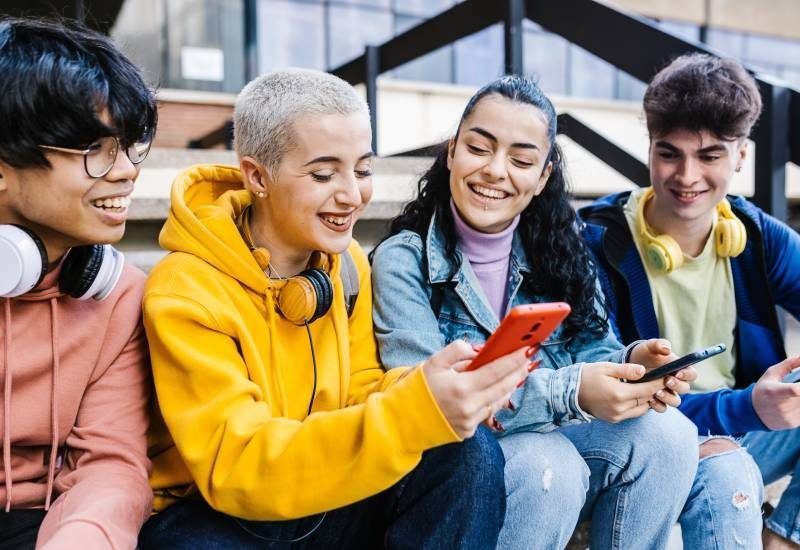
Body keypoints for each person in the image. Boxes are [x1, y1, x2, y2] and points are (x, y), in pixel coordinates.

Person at [139, 68, 530, 549]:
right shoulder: (184, 290)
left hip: (325, 498)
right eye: (324, 174)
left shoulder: (346, 266)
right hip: (216, 514)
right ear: (257, 175)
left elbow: (361, 388)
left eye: (363, 169)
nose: (352, 194)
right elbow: (237, 466)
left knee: (467, 453)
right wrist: (414, 413)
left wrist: (425, 384)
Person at [370, 74, 700, 549]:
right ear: (452, 151)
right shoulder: (405, 258)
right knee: (550, 463)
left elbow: (594, 347)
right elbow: (426, 400)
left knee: (669, 434)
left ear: (543, 176)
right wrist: (572, 393)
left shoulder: (559, 249)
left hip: (556, 440)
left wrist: (633, 366)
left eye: (521, 160)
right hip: (460, 470)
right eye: (478, 148)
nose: (495, 171)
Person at [580, 53, 800, 549]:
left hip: (746, 426)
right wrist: (746, 408)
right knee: (725, 472)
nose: (687, 175)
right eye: (670, 153)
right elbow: (621, 405)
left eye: (710, 155)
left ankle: (784, 538)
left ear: (741, 155)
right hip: (650, 441)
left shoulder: (759, 239)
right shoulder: (598, 242)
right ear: (649, 149)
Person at [0, 17, 156, 549]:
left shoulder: (118, 294)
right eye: (95, 148)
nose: (126, 172)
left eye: (129, 146)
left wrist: (83, 539)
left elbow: (111, 466)